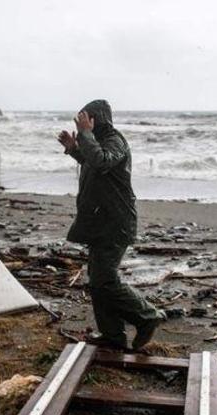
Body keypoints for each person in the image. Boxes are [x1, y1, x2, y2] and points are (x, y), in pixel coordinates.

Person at [57, 99, 164, 351]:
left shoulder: (115, 141)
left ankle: (147, 316)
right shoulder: (98, 140)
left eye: (87, 120)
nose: (83, 125)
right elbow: (93, 161)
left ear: (98, 119)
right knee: (97, 280)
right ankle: (113, 336)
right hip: (100, 220)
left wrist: (84, 135)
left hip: (116, 222)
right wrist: (74, 147)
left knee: (105, 280)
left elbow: (103, 160)